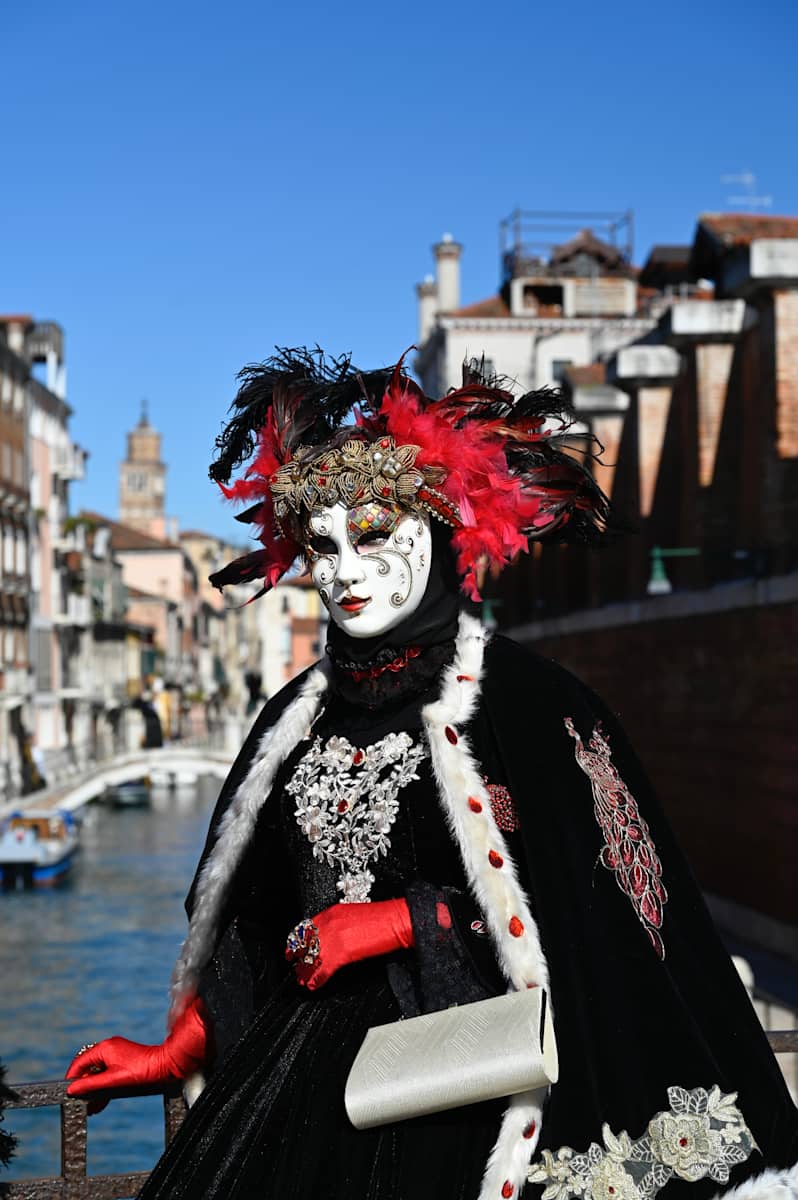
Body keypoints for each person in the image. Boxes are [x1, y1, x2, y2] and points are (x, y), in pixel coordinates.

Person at [66, 351, 798, 1200]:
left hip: (474, 1090)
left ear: (442, 530)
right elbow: (253, 918)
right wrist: (182, 1045)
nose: (343, 571)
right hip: (303, 1097)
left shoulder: (534, 709)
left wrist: (402, 923)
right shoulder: (291, 721)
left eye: (373, 534)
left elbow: (597, 922)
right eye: (321, 545)